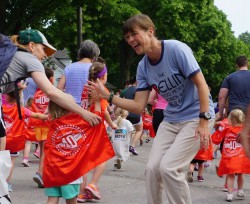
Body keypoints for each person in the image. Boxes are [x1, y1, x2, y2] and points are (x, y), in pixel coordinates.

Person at [86, 14, 215, 204]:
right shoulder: (143, 67)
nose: (130, 40)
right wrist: (109, 97)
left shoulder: (176, 49)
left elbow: (202, 84)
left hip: (196, 116)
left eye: (134, 34)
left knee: (169, 168)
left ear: (150, 31)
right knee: (152, 169)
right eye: (127, 37)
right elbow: (139, 105)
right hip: (171, 119)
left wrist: (204, 121)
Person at [43, 94, 114, 204]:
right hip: (70, 170)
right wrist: (97, 102)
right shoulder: (79, 122)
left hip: (51, 169)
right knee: (71, 201)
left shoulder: (52, 122)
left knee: (52, 199)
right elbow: (97, 118)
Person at [3, 90, 47, 191]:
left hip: (3, 139)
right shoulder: (21, 110)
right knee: (11, 162)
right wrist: (46, 117)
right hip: (14, 140)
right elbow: (36, 115)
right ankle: (5, 183)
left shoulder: (2, 109)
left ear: (7, 97)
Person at [211, 109, 249, 201]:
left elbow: (216, 139)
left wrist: (219, 127)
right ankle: (240, 190)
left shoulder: (226, 127)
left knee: (230, 175)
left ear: (230, 118)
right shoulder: (245, 128)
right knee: (240, 174)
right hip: (241, 156)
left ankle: (230, 194)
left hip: (228, 156)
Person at [30, 67, 54, 188]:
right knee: (45, 151)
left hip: (37, 125)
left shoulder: (37, 92)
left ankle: (43, 173)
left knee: (42, 149)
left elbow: (33, 107)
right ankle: (40, 173)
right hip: (47, 125)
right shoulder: (50, 92)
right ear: (50, 79)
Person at [218, 55, 250, 120]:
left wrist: (220, 114)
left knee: (233, 130)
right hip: (248, 112)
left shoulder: (229, 78)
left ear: (236, 65)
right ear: (247, 64)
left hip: (234, 112)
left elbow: (222, 97)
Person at [122, 76, 143, 155]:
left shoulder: (125, 91)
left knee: (127, 130)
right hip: (136, 113)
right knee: (139, 130)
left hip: (127, 113)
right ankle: (132, 146)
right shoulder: (138, 90)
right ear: (136, 82)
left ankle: (124, 147)